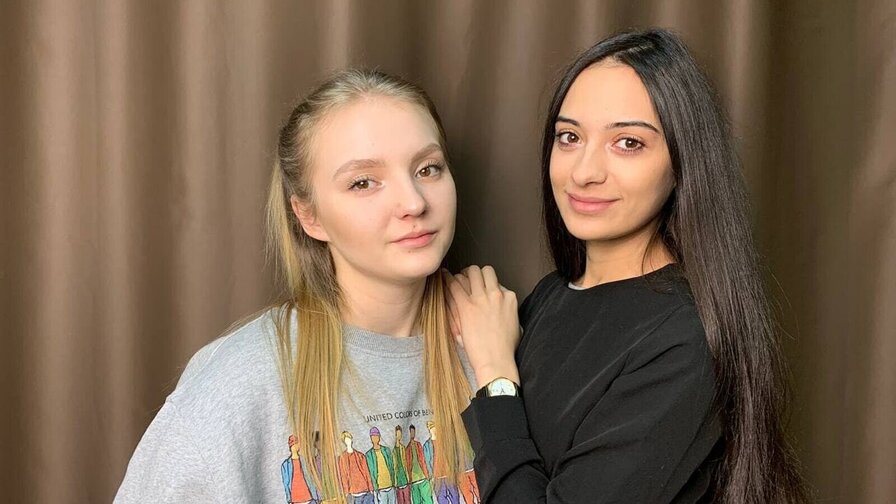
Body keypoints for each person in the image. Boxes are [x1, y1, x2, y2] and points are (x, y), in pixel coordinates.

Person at [446, 29, 808, 503]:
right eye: (569, 137)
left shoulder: (685, 339)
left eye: (628, 143)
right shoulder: (551, 295)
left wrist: (495, 372)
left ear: (682, 162)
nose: (584, 172)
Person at [115, 69, 479, 503]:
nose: (414, 203)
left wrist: (499, 375)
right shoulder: (238, 383)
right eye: (363, 182)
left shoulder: (495, 348)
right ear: (309, 216)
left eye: (428, 169)